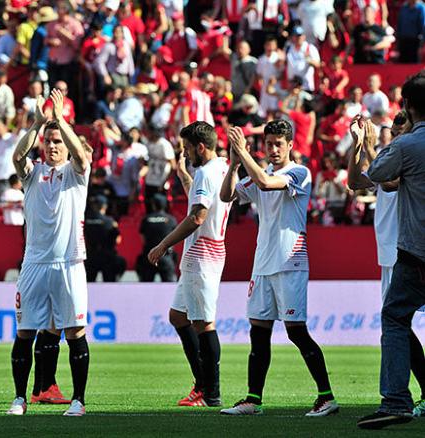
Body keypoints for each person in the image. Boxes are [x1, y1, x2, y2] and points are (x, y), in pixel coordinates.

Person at [219, 120, 338, 417]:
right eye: (268, 143)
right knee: (258, 333)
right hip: (262, 265)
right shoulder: (263, 171)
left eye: (277, 144)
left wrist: (244, 153)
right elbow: (226, 196)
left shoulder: (298, 172)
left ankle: (327, 396)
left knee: (296, 331)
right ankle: (253, 399)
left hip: (290, 262)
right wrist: (234, 164)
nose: (272, 149)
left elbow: (264, 183)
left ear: (290, 146)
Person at [7, 89, 90, 417]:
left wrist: (61, 119)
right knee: (25, 331)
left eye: (58, 141)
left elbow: (82, 157)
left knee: (74, 332)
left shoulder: (76, 173)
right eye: (49, 141)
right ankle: (19, 398)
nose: (53, 146)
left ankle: (78, 401)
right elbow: (17, 157)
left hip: (70, 263)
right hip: (35, 263)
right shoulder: (32, 174)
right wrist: (39, 123)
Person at [357, 72, 425, 429]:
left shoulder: (407, 145)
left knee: (395, 317)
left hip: (416, 253)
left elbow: (376, 172)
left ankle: (397, 400)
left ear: (409, 107)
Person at [148, 121, 231, 407]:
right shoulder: (220, 167)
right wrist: (184, 175)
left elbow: (197, 216)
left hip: (202, 254)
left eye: (187, 148)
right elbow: (199, 197)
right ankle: (203, 385)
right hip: (206, 251)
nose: (185, 153)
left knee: (203, 323)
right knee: (178, 317)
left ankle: (211, 392)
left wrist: (163, 244)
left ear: (200, 147)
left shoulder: (207, 173)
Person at [84, 195, 126, 282]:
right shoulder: (110, 221)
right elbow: (117, 240)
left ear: (93, 205)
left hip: (91, 255)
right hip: (107, 256)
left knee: (88, 284)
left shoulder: (86, 220)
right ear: (105, 206)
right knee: (109, 284)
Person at [136, 194, 177, 282]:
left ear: (153, 205)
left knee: (146, 286)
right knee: (169, 287)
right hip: (166, 257)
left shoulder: (146, 219)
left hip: (149, 257)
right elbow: (176, 238)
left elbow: (142, 238)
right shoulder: (171, 220)